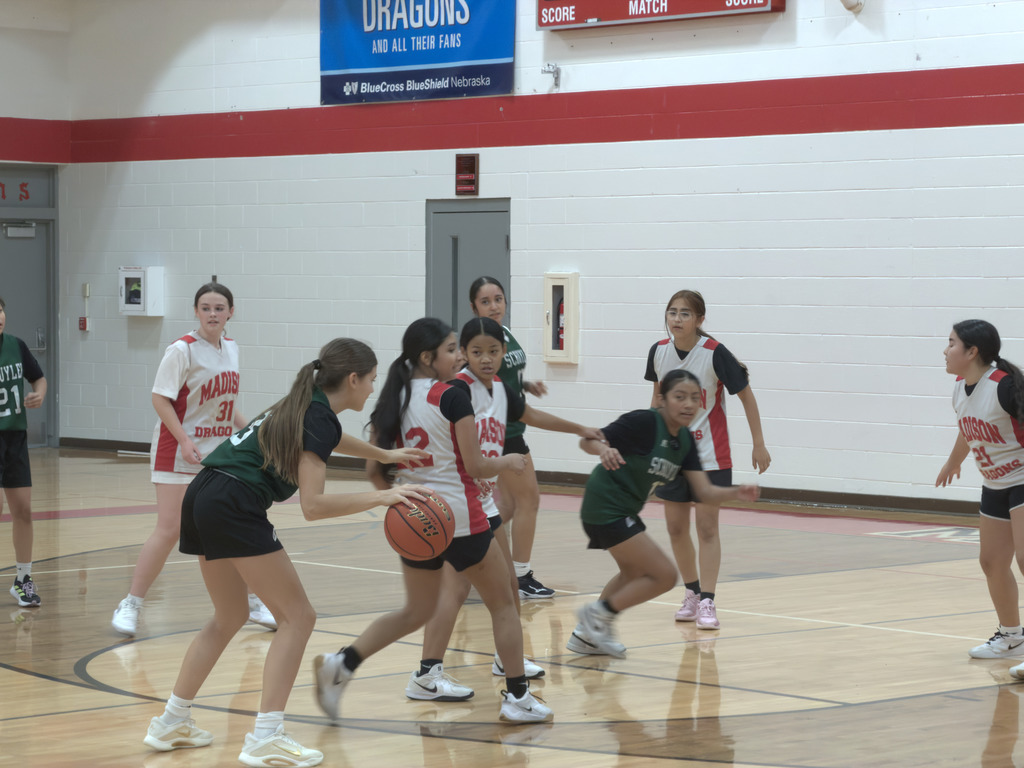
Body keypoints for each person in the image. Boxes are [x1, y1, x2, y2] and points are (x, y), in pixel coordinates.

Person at [142, 337, 431, 766]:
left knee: (229, 617)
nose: (372, 388)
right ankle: (266, 735)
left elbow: (330, 439)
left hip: (205, 492)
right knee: (299, 617)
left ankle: (171, 720)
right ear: (352, 379)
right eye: (370, 380)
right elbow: (313, 507)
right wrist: (384, 497)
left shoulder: (305, 403)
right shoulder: (316, 415)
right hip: (234, 503)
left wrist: (383, 453)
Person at [313, 317, 553, 724]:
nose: (459, 355)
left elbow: (375, 470)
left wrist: (400, 501)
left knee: (416, 610)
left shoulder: (392, 398)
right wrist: (509, 460)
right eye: (451, 348)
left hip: (413, 514)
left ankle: (343, 663)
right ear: (428, 357)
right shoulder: (453, 396)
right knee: (505, 604)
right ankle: (517, 697)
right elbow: (476, 466)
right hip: (460, 516)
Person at [404, 316, 604, 702]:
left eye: (493, 352)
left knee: (506, 588)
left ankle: (495, 660)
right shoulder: (455, 392)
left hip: (481, 502)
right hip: (459, 505)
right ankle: (435, 674)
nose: (485, 359)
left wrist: (580, 428)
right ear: (463, 353)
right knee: (461, 590)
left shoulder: (499, 389)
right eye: (476, 352)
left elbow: (531, 416)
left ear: (503, 354)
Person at [112, 283, 275, 636]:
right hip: (177, 450)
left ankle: (251, 602)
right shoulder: (181, 350)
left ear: (231, 312)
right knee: (170, 529)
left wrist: (255, 433)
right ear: (196, 312)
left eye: (219, 308)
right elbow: (159, 399)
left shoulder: (231, 348)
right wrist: (184, 439)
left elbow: (225, 405)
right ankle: (131, 603)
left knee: (228, 526)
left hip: (218, 454)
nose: (212, 314)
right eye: (205, 308)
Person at [568, 369, 760, 658]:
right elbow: (588, 440)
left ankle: (586, 636)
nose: (688, 404)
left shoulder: (684, 441)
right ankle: (597, 616)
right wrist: (601, 450)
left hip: (621, 509)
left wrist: (736, 492)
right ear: (662, 399)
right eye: (679, 397)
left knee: (633, 572)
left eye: (695, 398)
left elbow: (704, 492)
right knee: (664, 576)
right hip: (605, 505)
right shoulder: (644, 422)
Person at [644, 289, 770, 630]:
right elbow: (656, 400)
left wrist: (759, 443)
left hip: (711, 456)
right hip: (673, 457)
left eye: (685, 314)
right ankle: (692, 593)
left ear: (699, 320)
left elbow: (746, 396)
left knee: (707, 528)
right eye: (672, 312)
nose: (677, 319)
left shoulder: (714, 354)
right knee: (674, 527)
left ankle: (710, 601)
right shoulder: (658, 352)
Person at [935, 319, 1024, 666]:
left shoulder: (1003, 386)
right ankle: (1013, 637)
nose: (945, 350)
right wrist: (952, 462)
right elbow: (966, 427)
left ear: (972, 352)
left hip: (1022, 479)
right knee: (991, 562)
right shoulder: (961, 387)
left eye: (952, 343)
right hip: (995, 484)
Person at [469, 276, 554, 600]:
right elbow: (477, 378)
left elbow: (501, 376)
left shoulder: (502, 333)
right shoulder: (478, 339)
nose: (494, 306)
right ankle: (521, 576)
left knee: (503, 505)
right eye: (486, 301)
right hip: (501, 430)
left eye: (498, 299)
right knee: (528, 500)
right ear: (474, 306)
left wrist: (525, 384)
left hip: (509, 425)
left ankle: (470, 556)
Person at [0, 297, 48, 607]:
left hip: (14, 438)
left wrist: (39, 395)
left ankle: (23, 579)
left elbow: (38, 378)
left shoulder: (16, 345)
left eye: (0, 311)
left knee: (23, 512)